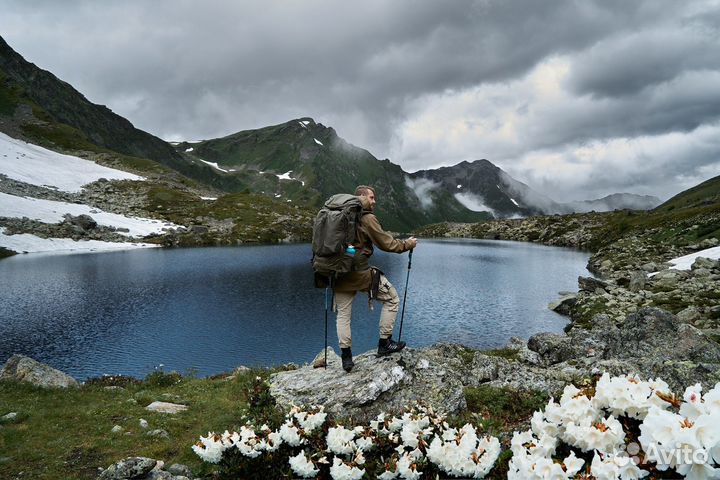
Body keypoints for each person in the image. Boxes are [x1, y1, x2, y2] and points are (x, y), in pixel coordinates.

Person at [333, 185, 418, 372]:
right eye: (371, 197)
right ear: (361, 197)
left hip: (338, 272)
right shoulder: (367, 217)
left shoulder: (338, 215)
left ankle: (346, 359)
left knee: (343, 315)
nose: (374, 201)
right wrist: (408, 244)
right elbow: (387, 244)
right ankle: (384, 343)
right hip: (361, 273)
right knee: (392, 298)